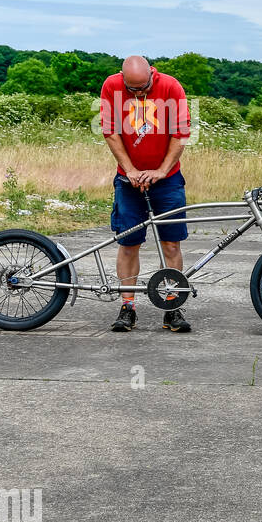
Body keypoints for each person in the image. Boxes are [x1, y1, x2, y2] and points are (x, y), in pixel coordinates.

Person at [98, 55, 192, 332]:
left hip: (167, 180)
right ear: (123, 78)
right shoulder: (112, 86)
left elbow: (180, 134)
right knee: (129, 243)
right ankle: (127, 307)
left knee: (172, 244)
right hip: (128, 181)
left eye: (144, 88)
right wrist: (129, 170)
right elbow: (110, 132)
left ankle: (172, 305)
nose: (139, 93)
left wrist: (162, 170)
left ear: (152, 74)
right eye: (133, 89)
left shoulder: (171, 87)